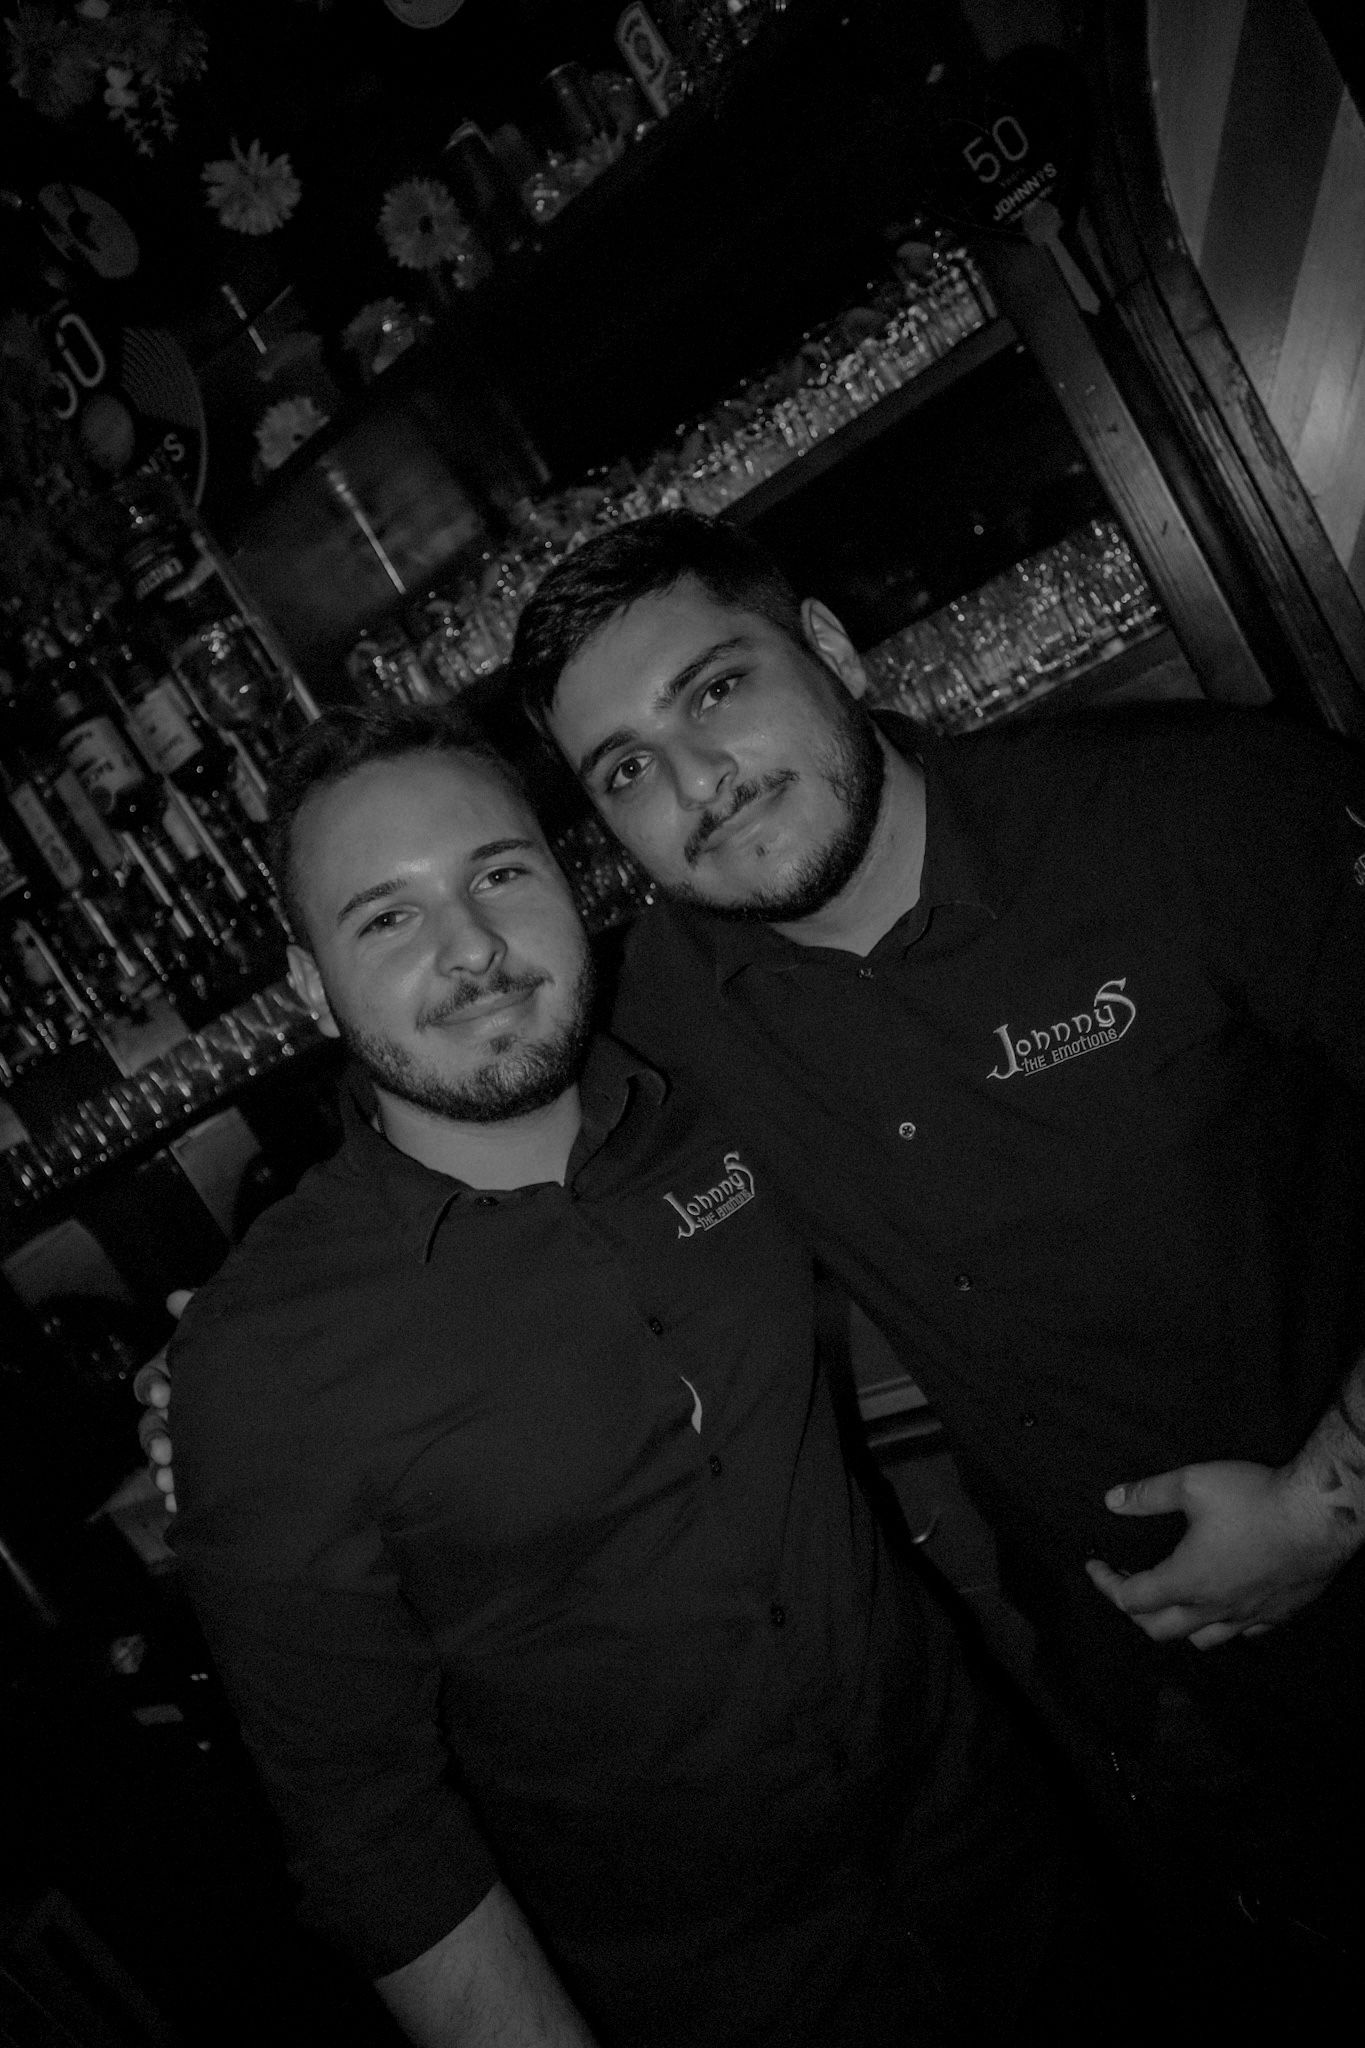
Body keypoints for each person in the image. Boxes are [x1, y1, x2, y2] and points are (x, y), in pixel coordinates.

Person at [507, 510, 1365, 2009]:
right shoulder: (659, 1012)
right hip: (1146, 1709)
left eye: (716, 689)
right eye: (625, 770)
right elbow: (461, 1166)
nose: (696, 783)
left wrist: (1329, 1499)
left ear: (833, 652)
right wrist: (231, 1381)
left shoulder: (1194, 808)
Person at [158, 701, 1065, 2048]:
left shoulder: (721, 1087)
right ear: (309, 985)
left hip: (1003, 1861)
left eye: (500, 873)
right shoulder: (262, 1360)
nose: (472, 948)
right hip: (707, 1998)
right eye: (388, 917)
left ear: (570, 880)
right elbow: (370, 1834)